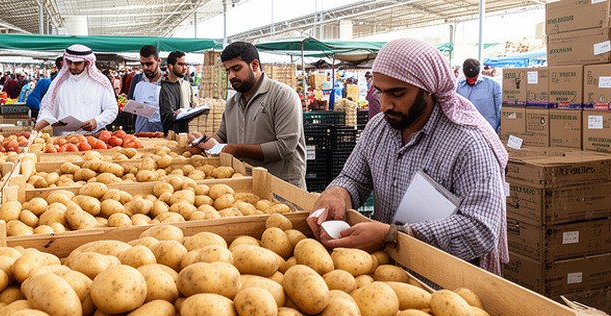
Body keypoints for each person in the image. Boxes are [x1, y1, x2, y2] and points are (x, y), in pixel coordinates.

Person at [307, 38, 510, 272]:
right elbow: (354, 179)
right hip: (384, 271)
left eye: (397, 93)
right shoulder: (377, 129)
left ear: (428, 89)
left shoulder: (469, 144)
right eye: (380, 92)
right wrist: (337, 192)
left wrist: (394, 235)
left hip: (441, 282)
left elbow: (481, 229)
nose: (385, 105)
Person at [187, 42, 306, 187]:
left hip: (281, 188)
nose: (231, 76)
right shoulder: (233, 102)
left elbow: (285, 147)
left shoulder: (283, 96)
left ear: (254, 65)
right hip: (245, 184)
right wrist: (204, 140)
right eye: (227, 71)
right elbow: (222, 136)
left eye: (236, 69)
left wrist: (237, 149)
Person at [33, 45, 118, 134]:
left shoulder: (100, 82)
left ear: (86, 62)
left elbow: (112, 109)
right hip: (63, 141)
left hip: (92, 139)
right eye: (69, 62)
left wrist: (97, 121)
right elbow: (48, 108)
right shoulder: (58, 83)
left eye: (77, 63)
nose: (72, 66)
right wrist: (42, 121)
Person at [457, 58, 502, 132]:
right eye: (469, 78)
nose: (471, 81)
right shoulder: (458, 87)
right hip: (467, 131)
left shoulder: (494, 85)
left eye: (474, 78)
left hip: (488, 130)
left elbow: (499, 108)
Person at [158, 50, 195, 134]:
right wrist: (176, 114)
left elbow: (191, 106)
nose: (185, 67)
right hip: (172, 135)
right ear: (170, 66)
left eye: (186, 64)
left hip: (187, 134)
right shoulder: (164, 87)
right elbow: (167, 115)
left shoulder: (187, 85)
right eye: (180, 64)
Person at [132, 46, 164, 133]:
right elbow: (130, 100)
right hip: (140, 132)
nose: (145, 67)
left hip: (162, 134)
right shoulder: (137, 79)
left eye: (149, 64)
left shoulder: (167, 81)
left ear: (159, 61)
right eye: (142, 64)